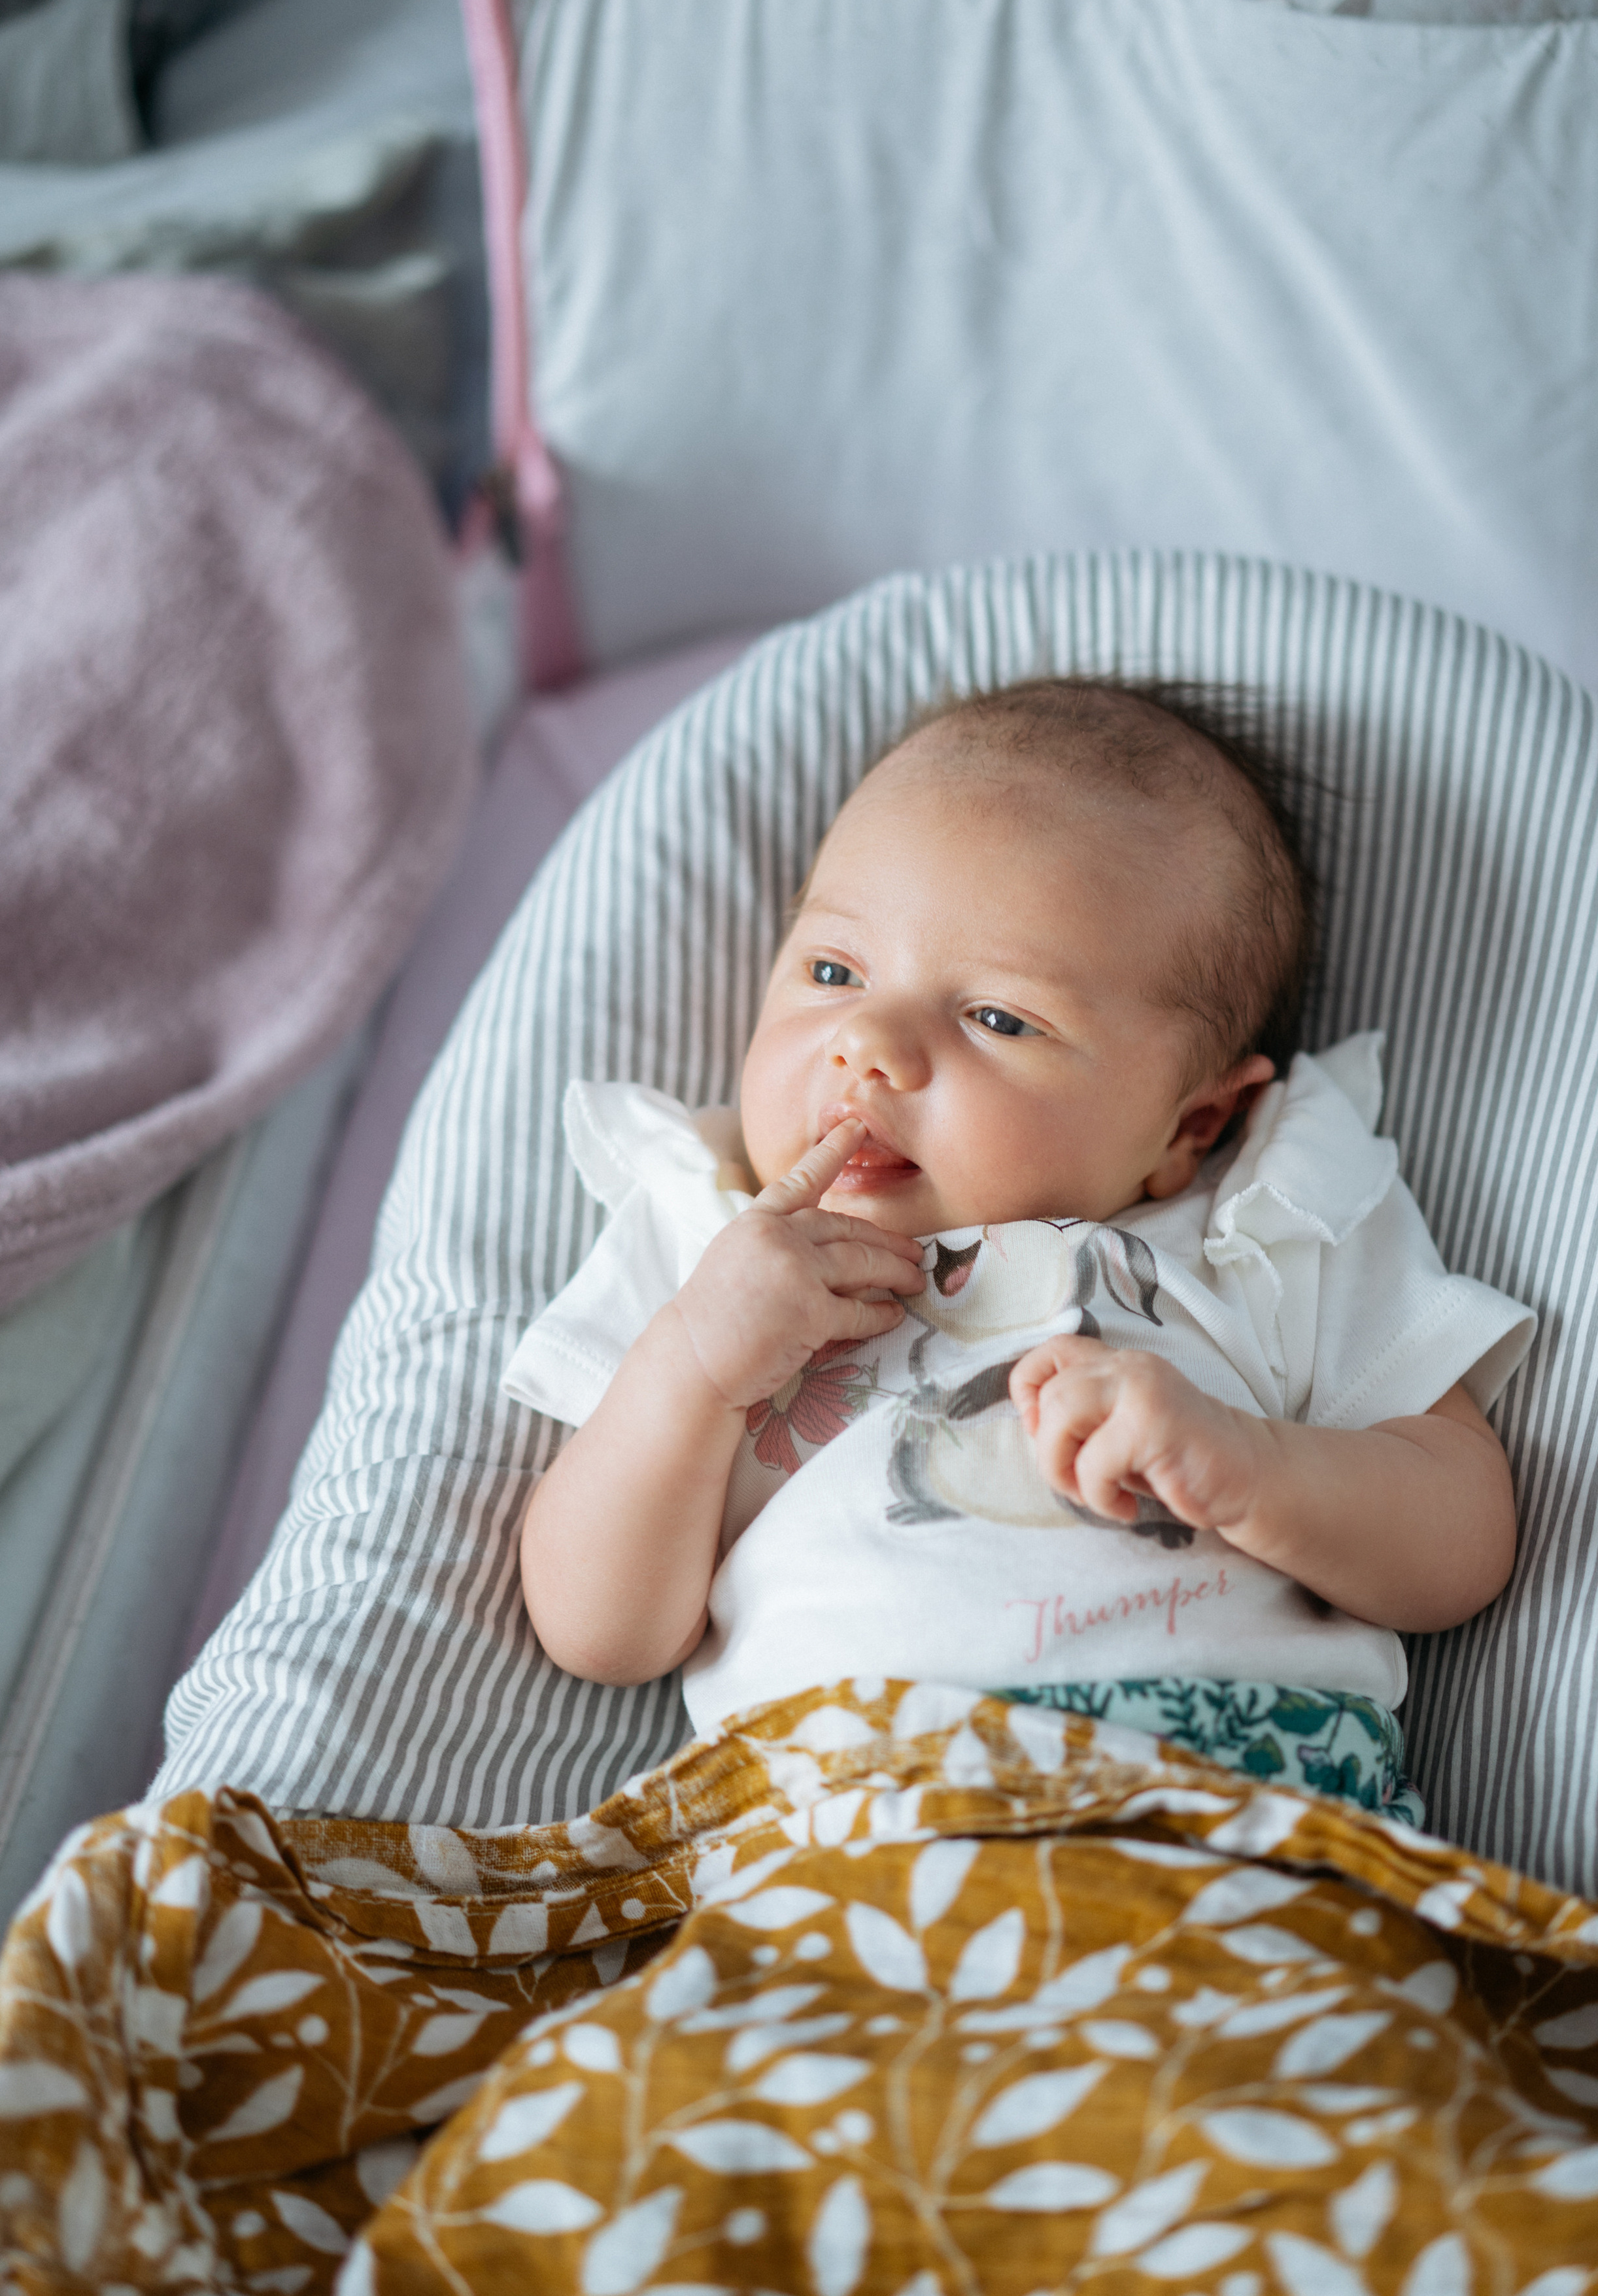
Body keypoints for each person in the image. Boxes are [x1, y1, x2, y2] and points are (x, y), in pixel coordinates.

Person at [505, 679, 1533, 1800]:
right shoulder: (712, 1237)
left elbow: (1462, 1536)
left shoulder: (1265, 1220)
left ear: (1190, 1127)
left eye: (997, 1017)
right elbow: (599, 1632)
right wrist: (696, 1366)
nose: (868, 1046)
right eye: (834, 972)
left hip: (1225, 1797)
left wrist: (1251, 1471)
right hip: (838, 1821)